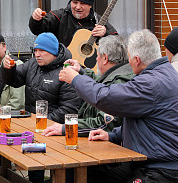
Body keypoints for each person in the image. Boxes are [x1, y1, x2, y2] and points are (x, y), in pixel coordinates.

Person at [59, 29, 178, 183]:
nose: (127, 62)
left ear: (136, 59)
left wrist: (75, 79)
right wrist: (113, 135)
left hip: (161, 170)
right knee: (94, 174)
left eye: (128, 57)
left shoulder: (150, 84)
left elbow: (106, 97)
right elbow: (149, 121)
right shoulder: (165, 74)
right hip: (152, 161)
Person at [2, 32, 81, 183]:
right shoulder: (32, 64)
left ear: (53, 52)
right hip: (34, 129)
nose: (37, 54)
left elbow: (69, 109)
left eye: (42, 51)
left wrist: (42, 125)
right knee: (34, 170)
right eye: (35, 50)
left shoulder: (67, 70)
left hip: (58, 133)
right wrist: (8, 69)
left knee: (60, 173)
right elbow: (14, 80)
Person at [43, 35, 135, 137]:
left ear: (105, 58)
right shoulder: (120, 74)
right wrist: (80, 71)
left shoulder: (120, 82)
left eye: (98, 55)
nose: (96, 58)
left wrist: (67, 128)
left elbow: (104, 123)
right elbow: (101, 83)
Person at [29, 0, 118, 47]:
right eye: (75, 2)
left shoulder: (98, 21)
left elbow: (117, 44)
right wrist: (36, 19)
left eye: (82, 3)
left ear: (90, 5)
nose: (78, 7)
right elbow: (38, 30)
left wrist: (105, 34)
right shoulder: (60, 16)